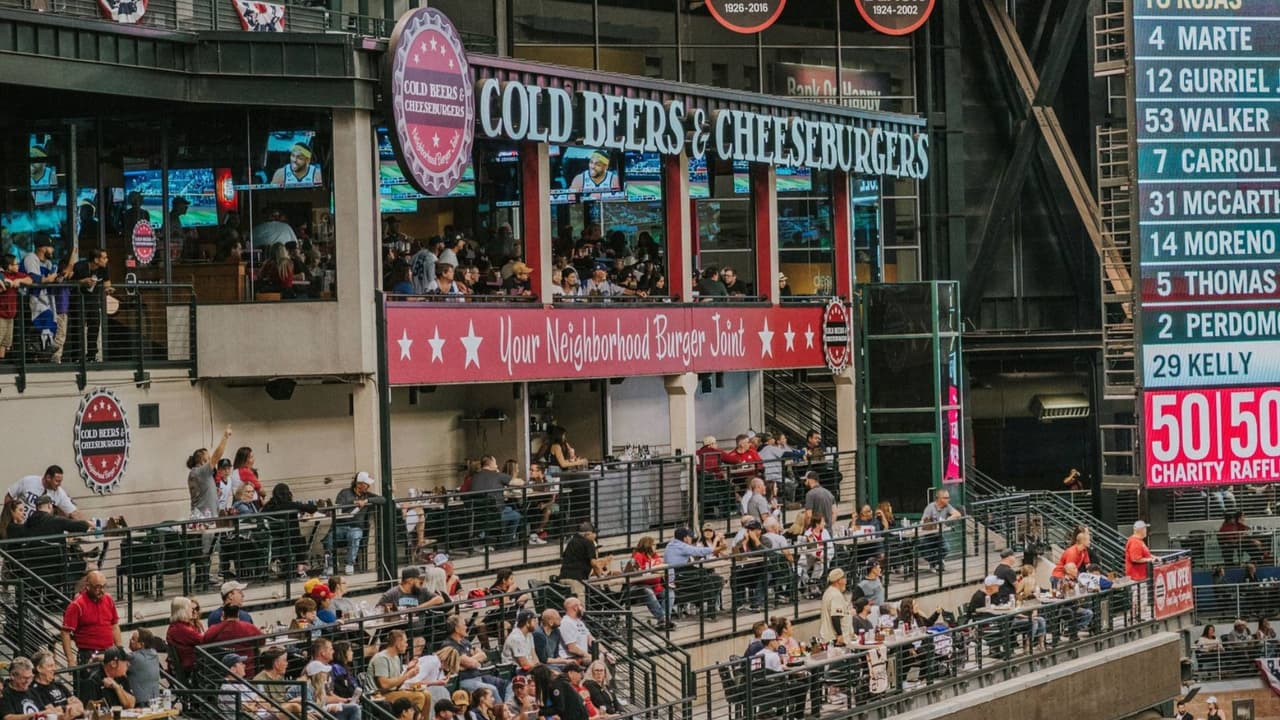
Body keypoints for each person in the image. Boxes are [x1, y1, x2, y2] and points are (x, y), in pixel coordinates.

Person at [329, 471, 385, 575]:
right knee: (329, 539)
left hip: (356, 527)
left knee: (354, 536)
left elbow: (382, 499)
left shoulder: (367, 495)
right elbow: (339, 505)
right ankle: (331, 565)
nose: (368, 486)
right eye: (366, 484)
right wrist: (354, 502)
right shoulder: (344, 493)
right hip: (341, 525)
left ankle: (349, 564)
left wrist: (367, 500)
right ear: (358, 484)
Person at [443, 614, 509, 702]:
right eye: (464, 625)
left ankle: (509, 709)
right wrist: (473, 661)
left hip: (478, 676)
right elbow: (471, 663)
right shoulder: (449, 645)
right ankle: (501, 713)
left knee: (506, 684)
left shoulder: (465, 642)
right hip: (464, 680)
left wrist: (469, 662)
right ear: (456, 629)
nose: (466, 627)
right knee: (492, 689)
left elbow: (483, 655)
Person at [61, 570, 120, 668]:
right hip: (88, 655)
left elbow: (114, 625)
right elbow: (65, 632)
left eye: (104, 586)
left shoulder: (108, 599)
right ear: (88, 586)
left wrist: (119, 649)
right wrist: (70, 660)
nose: (102, 590)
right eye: (98, 587)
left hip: (109, 652)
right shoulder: (77, 605)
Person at [262, 482, 319, 579]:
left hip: (273, 539)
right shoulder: (290, 505)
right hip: (290, 539)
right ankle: (300, 569)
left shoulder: (268, 506)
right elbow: (312, 508)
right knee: (300, 539)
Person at [66, 248, 112, 363]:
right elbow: (67, 281)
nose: (107, 260)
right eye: (104, 258)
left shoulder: (104, 268)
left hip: (93, 301)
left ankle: (92, 355)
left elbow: (107, 283)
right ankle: (76, 356)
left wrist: (108, 289)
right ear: (96, 260)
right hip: (78, 300)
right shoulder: (79, 266)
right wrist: (82, 282)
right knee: (78, 328)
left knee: (94, 326)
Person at [372, 630, 429, 713]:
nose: (407, 645)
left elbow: (396, 685)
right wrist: (407, 675)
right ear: (398, 643)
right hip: (379, 696)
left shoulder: (396, 658)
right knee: (419, 697)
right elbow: (384, 685)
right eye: (405, 642)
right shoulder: (381, 658)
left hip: (392, 692)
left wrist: (408, 671)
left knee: (427, 695)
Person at [469, 455, 522, 546]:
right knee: (516, 516)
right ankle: (505, 543)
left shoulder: (475, 477)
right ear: (490, 464)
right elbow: (519, 483)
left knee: (509, 508)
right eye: (495, 463)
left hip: (478, 514)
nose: (497, 465)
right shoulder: (497, 475)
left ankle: (486, 539)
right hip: (495, 514)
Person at [304, 639, 361, 720]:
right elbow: (317, 699)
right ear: (322, 653)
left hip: (326, 708)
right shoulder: (312, 670)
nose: (333, 651)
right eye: (331, 649)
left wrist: (344, 701)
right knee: (354, 709)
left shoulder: (327, 667)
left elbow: (328, 694)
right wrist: (342, 701)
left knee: (354, 708)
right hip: (318, 713)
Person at [629, 536, 674, 629]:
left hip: (654, 585)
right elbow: (637, 574)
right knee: (647, 591)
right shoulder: (638, 555)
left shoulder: (654, 555)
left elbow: (660, 568)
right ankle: (663, 619)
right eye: (653, 544)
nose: (655, 546)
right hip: (638, 586)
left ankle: (664, 620)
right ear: (647, 545)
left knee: (670, 593)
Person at [7, 465, 82, 520]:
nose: (59, 484)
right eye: (57, 481)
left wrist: (87, 523)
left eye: (60, 481)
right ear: (48, 477)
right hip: (21, 524)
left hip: (39, 529)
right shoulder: (28, 481)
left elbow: (73, 512)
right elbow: (9, 496)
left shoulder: (59, 493)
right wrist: (8, 517)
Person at [559, 522, 609, 599]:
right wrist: (601, 577)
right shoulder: (588, 543)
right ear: (588, 534)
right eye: (594, 533)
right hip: (576, 581)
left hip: (563, 579)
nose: (595, 536)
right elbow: (594, 564)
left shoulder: (572, 541)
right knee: (579, 607)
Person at [29, 650, 83, 719]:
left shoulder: (58, 685)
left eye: (54, 665)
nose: (54, 669)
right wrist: (70, 707)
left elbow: (80, 706)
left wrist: (61, 709)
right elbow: (52, 714)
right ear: (39, 668)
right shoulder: (35, 690)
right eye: (50, 666)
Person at [252, 648, 304, 716]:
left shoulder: (279, 677)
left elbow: (282, 698)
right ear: (276, 663)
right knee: (295, 706)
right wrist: (290, 703)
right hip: (271, 713)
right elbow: (266, 706)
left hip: (282, 708)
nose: (287, 664)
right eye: (285, 660)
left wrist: (292, 700)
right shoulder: (259, 680)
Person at [920, 489, 961, 573]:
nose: (948, 500)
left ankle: (936, 562)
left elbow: (958, 514)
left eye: (948, 498)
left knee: (946, 548)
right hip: (929, 534)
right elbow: (923, 521)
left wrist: (947, 519)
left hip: (938, 535)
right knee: (924, 552)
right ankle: (935, 563)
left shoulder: (947, 506)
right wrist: (931, 524)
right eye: (945, 498)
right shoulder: (930, 507)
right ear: (939, 498)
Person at [0, 255, 33, 360]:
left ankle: (2, 360)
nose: (18, 265)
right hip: (1, 314)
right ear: (9, 266)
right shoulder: (2, 275)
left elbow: (30, 279)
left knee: (5, 342)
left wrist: (19, 281)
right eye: (16, 264)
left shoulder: (16, 275)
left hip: (11, 314)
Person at [165, 597, 203, 680]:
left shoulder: (177, 626)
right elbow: (204, 640)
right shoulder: (181, 629)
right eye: (190, 608)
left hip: (191, 665)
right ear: (183, 611)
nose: (192, 611)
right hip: (191, 667)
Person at [125, 629, 163, 705]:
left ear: (141, 644)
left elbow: (116, 658)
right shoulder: (154, 653)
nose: (130, 641)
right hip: (155, 699)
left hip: (140, 703)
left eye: (133, 639)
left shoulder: (134, 658)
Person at [819, 568, 852, 644]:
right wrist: (840, 635)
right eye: (844, 578)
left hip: (829, 637)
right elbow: (835, 617)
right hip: (835, 638)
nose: (846, 581)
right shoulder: (835, 595)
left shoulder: (829, 592)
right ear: (838, 580)